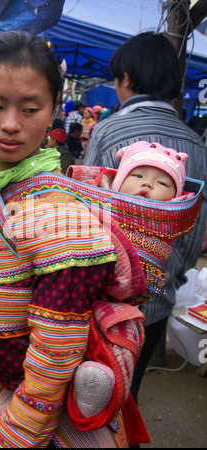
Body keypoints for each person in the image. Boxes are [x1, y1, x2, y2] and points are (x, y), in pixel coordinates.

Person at [0, 31, 151, 449]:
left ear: (52, 110)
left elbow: (54, 358)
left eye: (30, 108)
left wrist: (10, 439)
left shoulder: (65, 223)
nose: (11, 124)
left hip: (40, 426)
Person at [84, 32, 207, 403]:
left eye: (117, 79)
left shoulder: (109, 130)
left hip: (101, 302)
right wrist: (166, 275)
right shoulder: (197, 143)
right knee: (127, 395)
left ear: (128, 79)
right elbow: (197, 227)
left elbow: (87, 210)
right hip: (157, 300)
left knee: (90, 398)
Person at [71, 141, 190, 419]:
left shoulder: (168, 220)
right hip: (79, 294)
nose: (147, 185)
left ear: (176, 195)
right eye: (137, 176)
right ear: (119, 178)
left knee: (122, 347)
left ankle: (99, 397)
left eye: (162, 181)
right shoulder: (96, 198)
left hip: (129, 306)